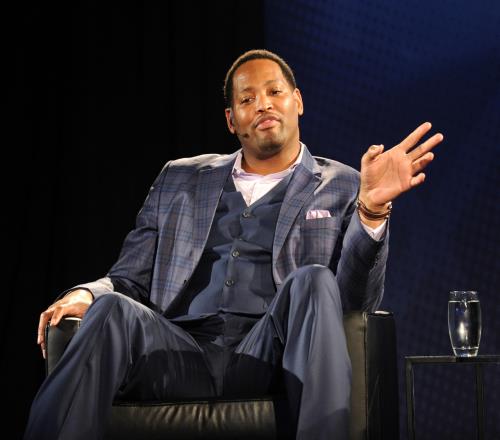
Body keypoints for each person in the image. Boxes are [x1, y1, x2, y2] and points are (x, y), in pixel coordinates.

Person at [25, 49, 443, 439]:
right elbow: (127, 278)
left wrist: (371, 211)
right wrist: (88, 292)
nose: (262, 105)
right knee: (110, 308)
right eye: (247, 99)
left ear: (297, 101)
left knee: (314, 280)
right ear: (231, 119)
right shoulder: (179, 178)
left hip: (271, 354)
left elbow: (354, 303)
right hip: (177, 350)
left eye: (274, 92)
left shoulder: (344, 184)